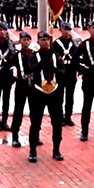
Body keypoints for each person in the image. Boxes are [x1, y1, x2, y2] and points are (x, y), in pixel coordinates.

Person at [27, 31, 65, 163]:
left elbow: (62, 72)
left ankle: (56, 149)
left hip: (54, 91)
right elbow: (31, 69)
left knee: (57, 122)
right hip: (39, 92)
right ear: (38, 41)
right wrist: (44, 61)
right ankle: (32, 150)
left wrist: (53, 67)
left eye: (48, 40)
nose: (46, 42)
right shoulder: (34, 56)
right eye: (43, 39)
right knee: (35, 122)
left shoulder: (56, 56)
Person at [72, 21, 94, 141]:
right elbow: (74, 60)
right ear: (89, 30)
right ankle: (84, 131)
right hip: (89, 78)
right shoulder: (84, 44)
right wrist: (84, 69)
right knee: (87, 106)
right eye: (93, 28)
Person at [10, 31, 36, 147]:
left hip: (33, 85)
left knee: (35, 111)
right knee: (18, 110)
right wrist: (13, 78)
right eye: (23, 39)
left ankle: (35, 135)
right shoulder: (15, 56)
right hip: (21, 84)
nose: (26, 42)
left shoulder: (35, 54)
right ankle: (15, 135)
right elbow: (7, 68)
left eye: (28, 40)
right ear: (20, 41)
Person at [52, 22, 78, 126]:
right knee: (59, 96)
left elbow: (77, 57)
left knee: (70, 96)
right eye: (64, 29)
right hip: (60, 72)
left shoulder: (74, 43)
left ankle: (68, 116)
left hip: (71, 71)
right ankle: (60, 116)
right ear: (60, 30)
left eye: (68, 29)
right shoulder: (56, 43)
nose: (66, 31)